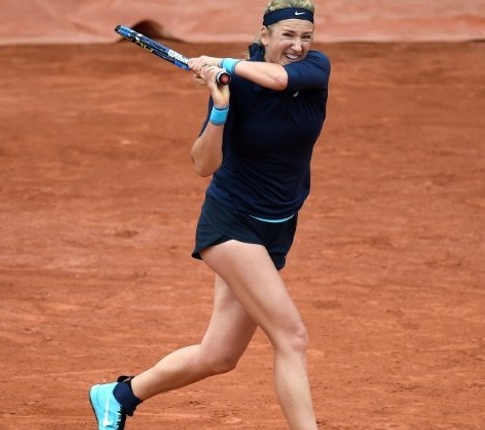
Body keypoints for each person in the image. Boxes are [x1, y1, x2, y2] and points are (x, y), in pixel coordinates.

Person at [89, 0, 329, 428]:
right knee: (291, 338)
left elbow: (277, 79)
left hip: (277, 228)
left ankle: (119, 394)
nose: (297, 45)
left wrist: (223, 64)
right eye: (287, 35)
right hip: (231, 224)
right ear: (265, 36)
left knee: (218, 355)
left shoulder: (314, 71)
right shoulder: (235, 87)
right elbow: (204, 164)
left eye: (305, 36)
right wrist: (219, 108)